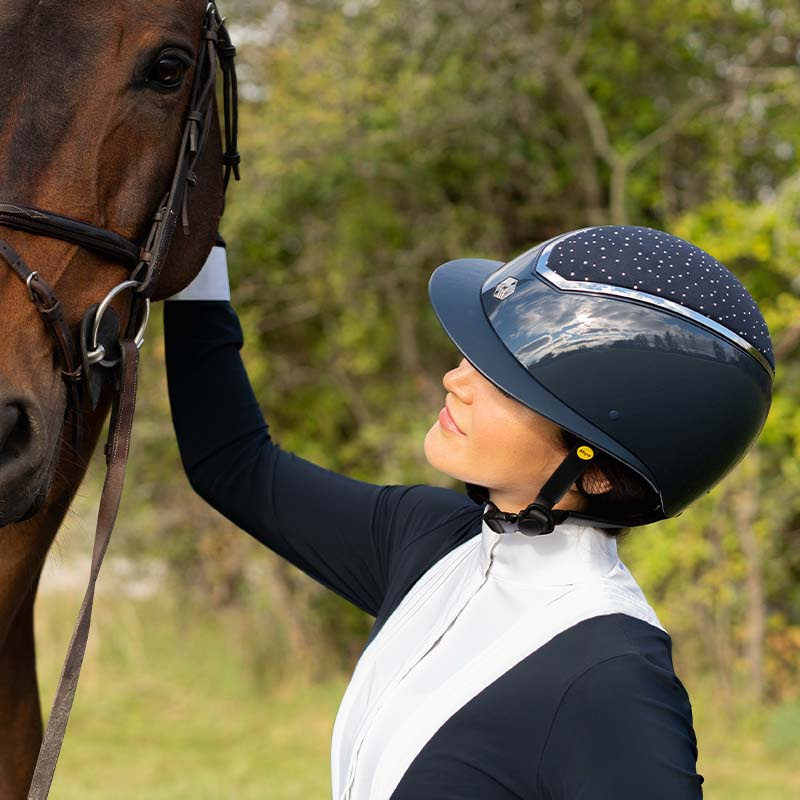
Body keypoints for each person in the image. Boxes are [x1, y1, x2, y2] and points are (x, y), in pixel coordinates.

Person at [164, 224, 774, 799]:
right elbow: (234, 464)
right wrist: (194, 247)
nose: (456, 379)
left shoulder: (612, 682)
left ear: (598, 469)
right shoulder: (431, 539)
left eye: (508, 382)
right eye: (474, 355)